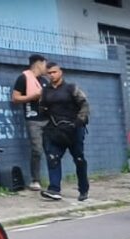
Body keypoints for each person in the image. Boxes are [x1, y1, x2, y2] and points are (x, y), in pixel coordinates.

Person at [38, 61, 91, 202]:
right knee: (53, 158)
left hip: (74, 129)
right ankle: (54, 189)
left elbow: (84, 104)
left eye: (54, 72)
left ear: (60, 72)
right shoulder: (45, 91)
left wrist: (80, 120)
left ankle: (83, 189)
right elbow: (42, 109)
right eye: (49, 73)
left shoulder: (71, 88)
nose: (52, 75)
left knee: (79, 159)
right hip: (56, 130)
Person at [10, 53, 46, 191]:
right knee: (37, 149)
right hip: (33, 119)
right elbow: (15, 98)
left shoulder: (43, 81)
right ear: (38, 64)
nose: (45, 68)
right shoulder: (23, 78)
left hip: (47, 118)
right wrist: (34, 96)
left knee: (51, 149)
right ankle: (35, 180)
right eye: (44, 64)